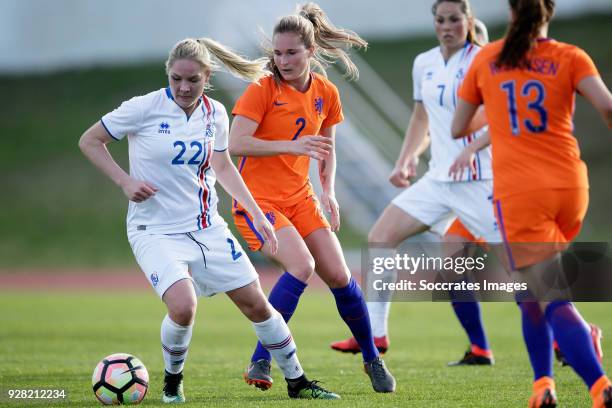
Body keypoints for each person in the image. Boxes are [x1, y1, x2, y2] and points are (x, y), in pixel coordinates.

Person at [78, 37, 341, 402]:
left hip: (206, 227)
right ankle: (172, 380)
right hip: (154, 230)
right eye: (176, 79)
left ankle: (298, 382)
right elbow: (90, 140)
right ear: (168, 75)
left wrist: (254, 212)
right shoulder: (143, 108)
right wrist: (125, 181)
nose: (184, 87)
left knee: (258, 306)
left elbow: (223, 165)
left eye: (193, 80)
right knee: (184, 306)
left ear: (207, 77)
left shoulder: (215, 113)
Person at [228, 2, 395, 393]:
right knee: (301, 266)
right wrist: (293, 144)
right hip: (258, 203)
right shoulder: (262, 89)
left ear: (311, 51)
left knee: (339, 275)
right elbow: (235, 143)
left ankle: (372, 358)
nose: (282, 60)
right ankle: (261, 358)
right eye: (278, 52)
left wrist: (329, 192)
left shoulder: (326, 91)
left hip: (302, 199)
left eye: (291, 52)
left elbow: (326, 148)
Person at [451, 0, 612, 406]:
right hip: (571, 186)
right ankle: (543, 387)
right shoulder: (570, 56)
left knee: (549, 295)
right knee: (531, 290)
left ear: (511, 13)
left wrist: (498, 112)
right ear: (548, 14)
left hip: (523, 193)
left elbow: (459, 126)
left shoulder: (489, 58)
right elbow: (608, 106)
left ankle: (599, 385)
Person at [331, 1, 498, 366]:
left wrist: (472, 149)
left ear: (469, 21)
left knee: (524, 267)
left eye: (455, 19)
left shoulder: (484, 60)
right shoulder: (424, 62)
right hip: (439, 180)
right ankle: (376, 333)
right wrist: (407, 157)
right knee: (381, 238)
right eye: (440, 19)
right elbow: (422, 117)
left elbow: (501, 114)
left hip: (482, 180)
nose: (447, 25)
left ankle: (574, 333)